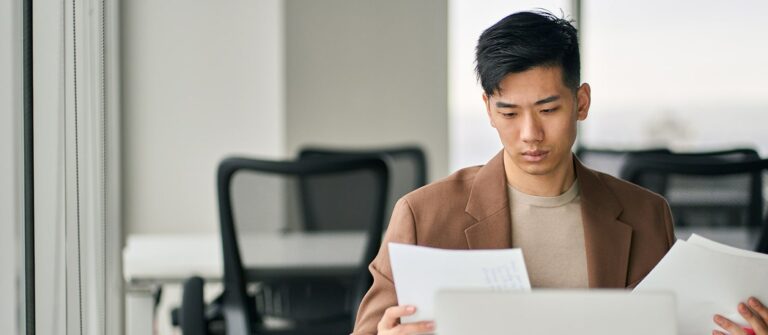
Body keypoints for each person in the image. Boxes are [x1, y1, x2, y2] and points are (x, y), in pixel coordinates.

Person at [351, 9, 767, 335]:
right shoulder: (423, 216)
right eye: (509, 112)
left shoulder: (645, 215)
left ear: (581, 103)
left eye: (548, 110)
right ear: (487, 111)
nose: (530, 134)